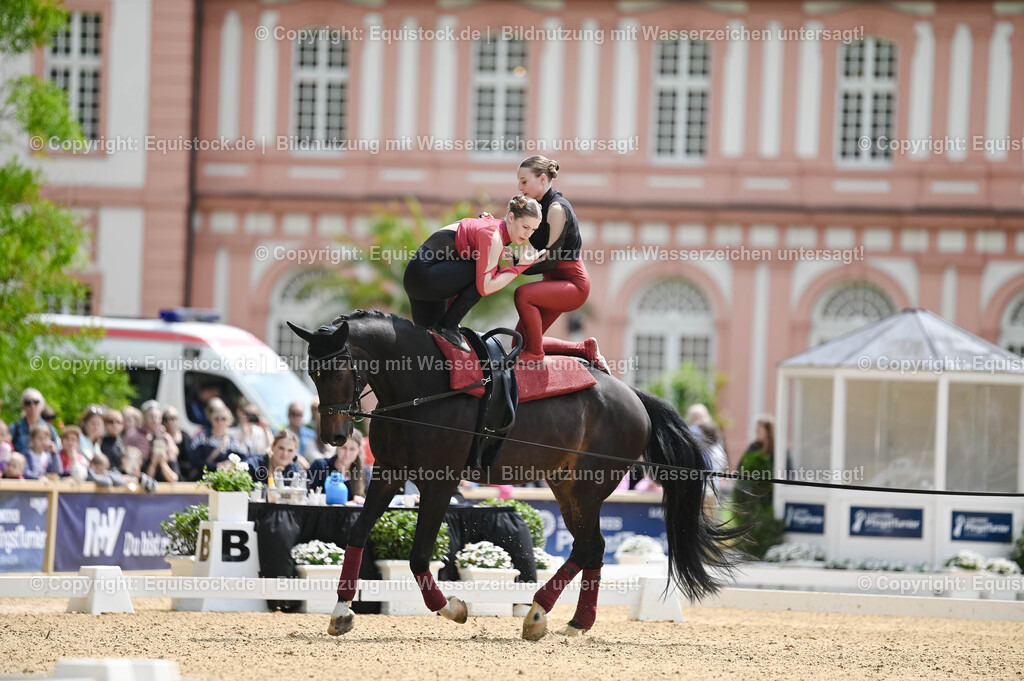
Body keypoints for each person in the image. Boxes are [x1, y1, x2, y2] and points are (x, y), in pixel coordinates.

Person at [403, 195, 545, 352]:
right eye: (525, 227)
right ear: (511, 217)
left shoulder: (495, 229)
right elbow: (485, 287)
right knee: (485, 274)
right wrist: (520, 268)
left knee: (429, 349)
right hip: (424, 277)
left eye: (533, 230)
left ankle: (446, 327)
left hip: (423, 280)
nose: (528, 234)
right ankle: (448, 326)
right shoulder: (494, 235)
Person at [512, 156, 607, 370]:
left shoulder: (556, 209)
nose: (519, 187)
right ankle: (584, 349)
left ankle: (535, 354)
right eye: (519, 181)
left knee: (522, 295)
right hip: (555, 282)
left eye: (524, 181)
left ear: (542, 178)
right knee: (518, 342)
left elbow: (551, 260)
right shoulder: (534, 208)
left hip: (572, 285)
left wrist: (516, 266)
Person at [188, 404, 249, 479]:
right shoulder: (201, 439)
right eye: (216, 419)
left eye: (223, 419)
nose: (220, 422)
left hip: (225, 481)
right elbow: (194, 461)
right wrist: (216, 465)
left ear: (229, 421)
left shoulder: (233, 443)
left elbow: (245, 460)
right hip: (203, 480)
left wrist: (231, 465)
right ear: (211, 420)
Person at [307, 429, 366, 503]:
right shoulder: (319, 466)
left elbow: (373, 502)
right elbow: (307, 495)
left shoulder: (365, 472)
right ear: (337, 447)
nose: (347, 454)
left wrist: (363, 501)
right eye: (344, 448)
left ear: (358, 450)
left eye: (352, 449)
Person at [10, 388, 58, 455]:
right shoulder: (14, 428)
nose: (32, 406)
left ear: (43, 405)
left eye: (36, 402)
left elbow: (57, 455)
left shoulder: (51, 430)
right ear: (22, 406)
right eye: (28, 403)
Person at [286, 402, 318, 466]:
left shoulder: (311, 434)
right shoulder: (283, 435)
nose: (296, 417)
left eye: (299, 414)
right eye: (293, 414)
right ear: (288, 415)